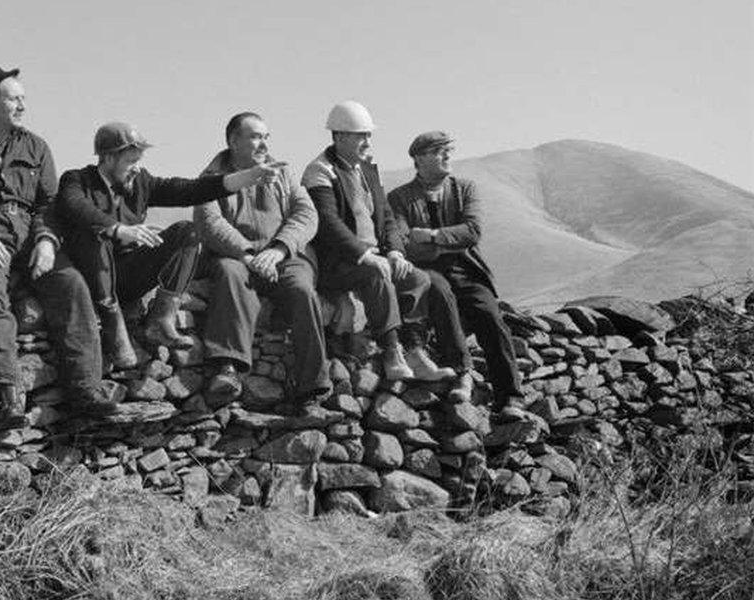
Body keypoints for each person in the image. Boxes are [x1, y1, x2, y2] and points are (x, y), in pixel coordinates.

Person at [0, 66, 111, 428]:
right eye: (13, 98)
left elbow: (49, 203)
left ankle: (86, 390)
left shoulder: (35, 145)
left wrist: (45, 242)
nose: (22, 106)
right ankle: (8, 395)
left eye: (23, 98)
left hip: (30, 232)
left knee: (72, 284)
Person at [54, 121, 286, 370]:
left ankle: (161, 319)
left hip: (128, 276)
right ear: (108, 159)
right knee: (96, 237)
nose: (137, 168)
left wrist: (247, 178)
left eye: (138, 161)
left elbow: (188, 190)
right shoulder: (76, 180)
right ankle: (113, 325)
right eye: (130, 161)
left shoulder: (140, 181)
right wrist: (118, 230)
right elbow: (76, 206)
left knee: (187, 231)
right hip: (93, 281)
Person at [302, 101, 469, 395]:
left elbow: (387, 218)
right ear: (339, 136)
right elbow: (328, 223)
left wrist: (394, 251)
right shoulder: (319, 172)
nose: (367, 141)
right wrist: (363, 255)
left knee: (419, 278)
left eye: (368, 135)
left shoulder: (369, 169)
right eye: (360, 135)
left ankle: (415, 352)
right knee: (376, 276)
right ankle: (391, 350)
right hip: (339, 262)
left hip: (374, 255)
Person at [194, 112, 331, 408]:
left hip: (284, 256)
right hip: (237, 257)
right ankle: (227, 368)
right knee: (229, 275)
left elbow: (306, 214)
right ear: (233, 141)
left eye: (266, 137)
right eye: (255, 136)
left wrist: (278, 249)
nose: (263, 144)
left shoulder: (281, 173)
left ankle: (314, 385)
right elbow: (210, 224)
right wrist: (250, 254)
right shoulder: (211, 179)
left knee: (303, 291)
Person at [388, 131, 524, 415]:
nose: (448, 156)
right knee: (441, 295)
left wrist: (433, 236)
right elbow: (402, 240)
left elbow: (472, 232)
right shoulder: (399, 198)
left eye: (449, 150)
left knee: (489, 315)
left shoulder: (465, 189)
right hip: (425, 271)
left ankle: (510, 397)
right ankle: (462, 374)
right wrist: (439, 244)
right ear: (419, 158)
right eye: (439, 151)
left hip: (466, 268)